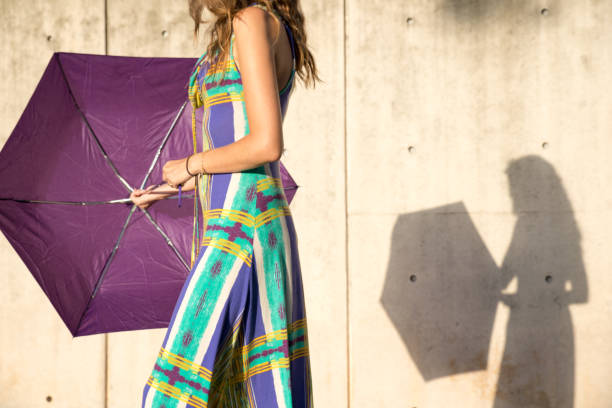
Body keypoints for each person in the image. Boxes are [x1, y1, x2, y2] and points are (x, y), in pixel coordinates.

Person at [133, 1, 320, 407]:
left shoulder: (251, 20)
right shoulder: (250, 25)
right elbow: (230, 141)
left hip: (243, 226)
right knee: (240, 390)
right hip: (238, 222)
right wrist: (165, 187)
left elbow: (266, 143)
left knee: (174, 393)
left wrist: (189, 164)